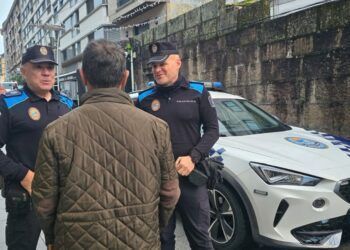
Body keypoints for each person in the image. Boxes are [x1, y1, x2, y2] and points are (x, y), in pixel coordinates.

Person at [31, 39, 180, 249]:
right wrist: (152, 225)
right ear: (125, 76)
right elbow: (170, 192)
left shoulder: (56, 131)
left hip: (75, 240)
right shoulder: (157, 128)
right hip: (140, 240)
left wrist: (53, 237)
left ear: (83, 76)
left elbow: (44, 200)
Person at [136, 42, 219, 250]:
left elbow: (212, 130)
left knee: (200, 238)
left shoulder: (198, 92)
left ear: (177, 62)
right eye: (153, 66)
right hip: (158, 180)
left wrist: (194, 157)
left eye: (162, 64)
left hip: (191, 178)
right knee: (163, 239)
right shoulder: (144, 99)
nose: (157, 70)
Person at [0, 45, 73, 250]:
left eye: (50, 66)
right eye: (39, 66)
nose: (46, 72)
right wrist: (24, 175)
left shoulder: (66, 105)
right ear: (24, 71)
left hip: (63, 198)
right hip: (25, 198)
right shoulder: (10, 104)